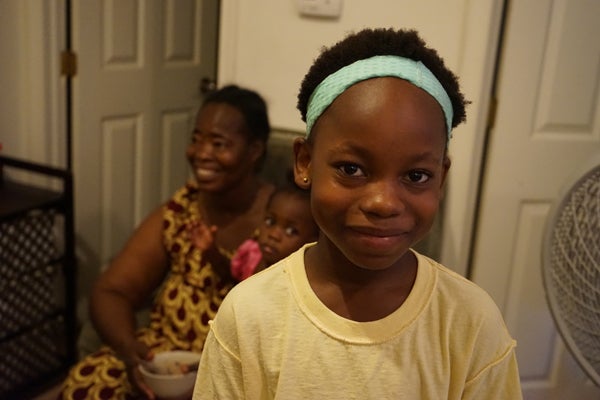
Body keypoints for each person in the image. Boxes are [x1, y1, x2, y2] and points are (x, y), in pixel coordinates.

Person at [193, 28, 522, 399]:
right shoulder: (249, 315)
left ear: (440, 178)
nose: (383, 203)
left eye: (416, 176)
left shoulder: (470, 322)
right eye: (352, 169)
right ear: (305, 162)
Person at [59, 84, 275, 400]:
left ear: (254, 151)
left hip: (236, 368)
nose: (201, 153)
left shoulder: (282, 221)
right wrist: (131, 351)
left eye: (218, 143)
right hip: (163, 355)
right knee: (85, 385)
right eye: (196, 139)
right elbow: (111, 291)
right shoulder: (180, 210)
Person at [190, 178, 319, 281]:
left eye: (291, 231)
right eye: (270, 222)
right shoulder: (252, 254)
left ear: (312, 241)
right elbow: (230, 276)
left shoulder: (299, 280)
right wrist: (211, 251)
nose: (273, 235)